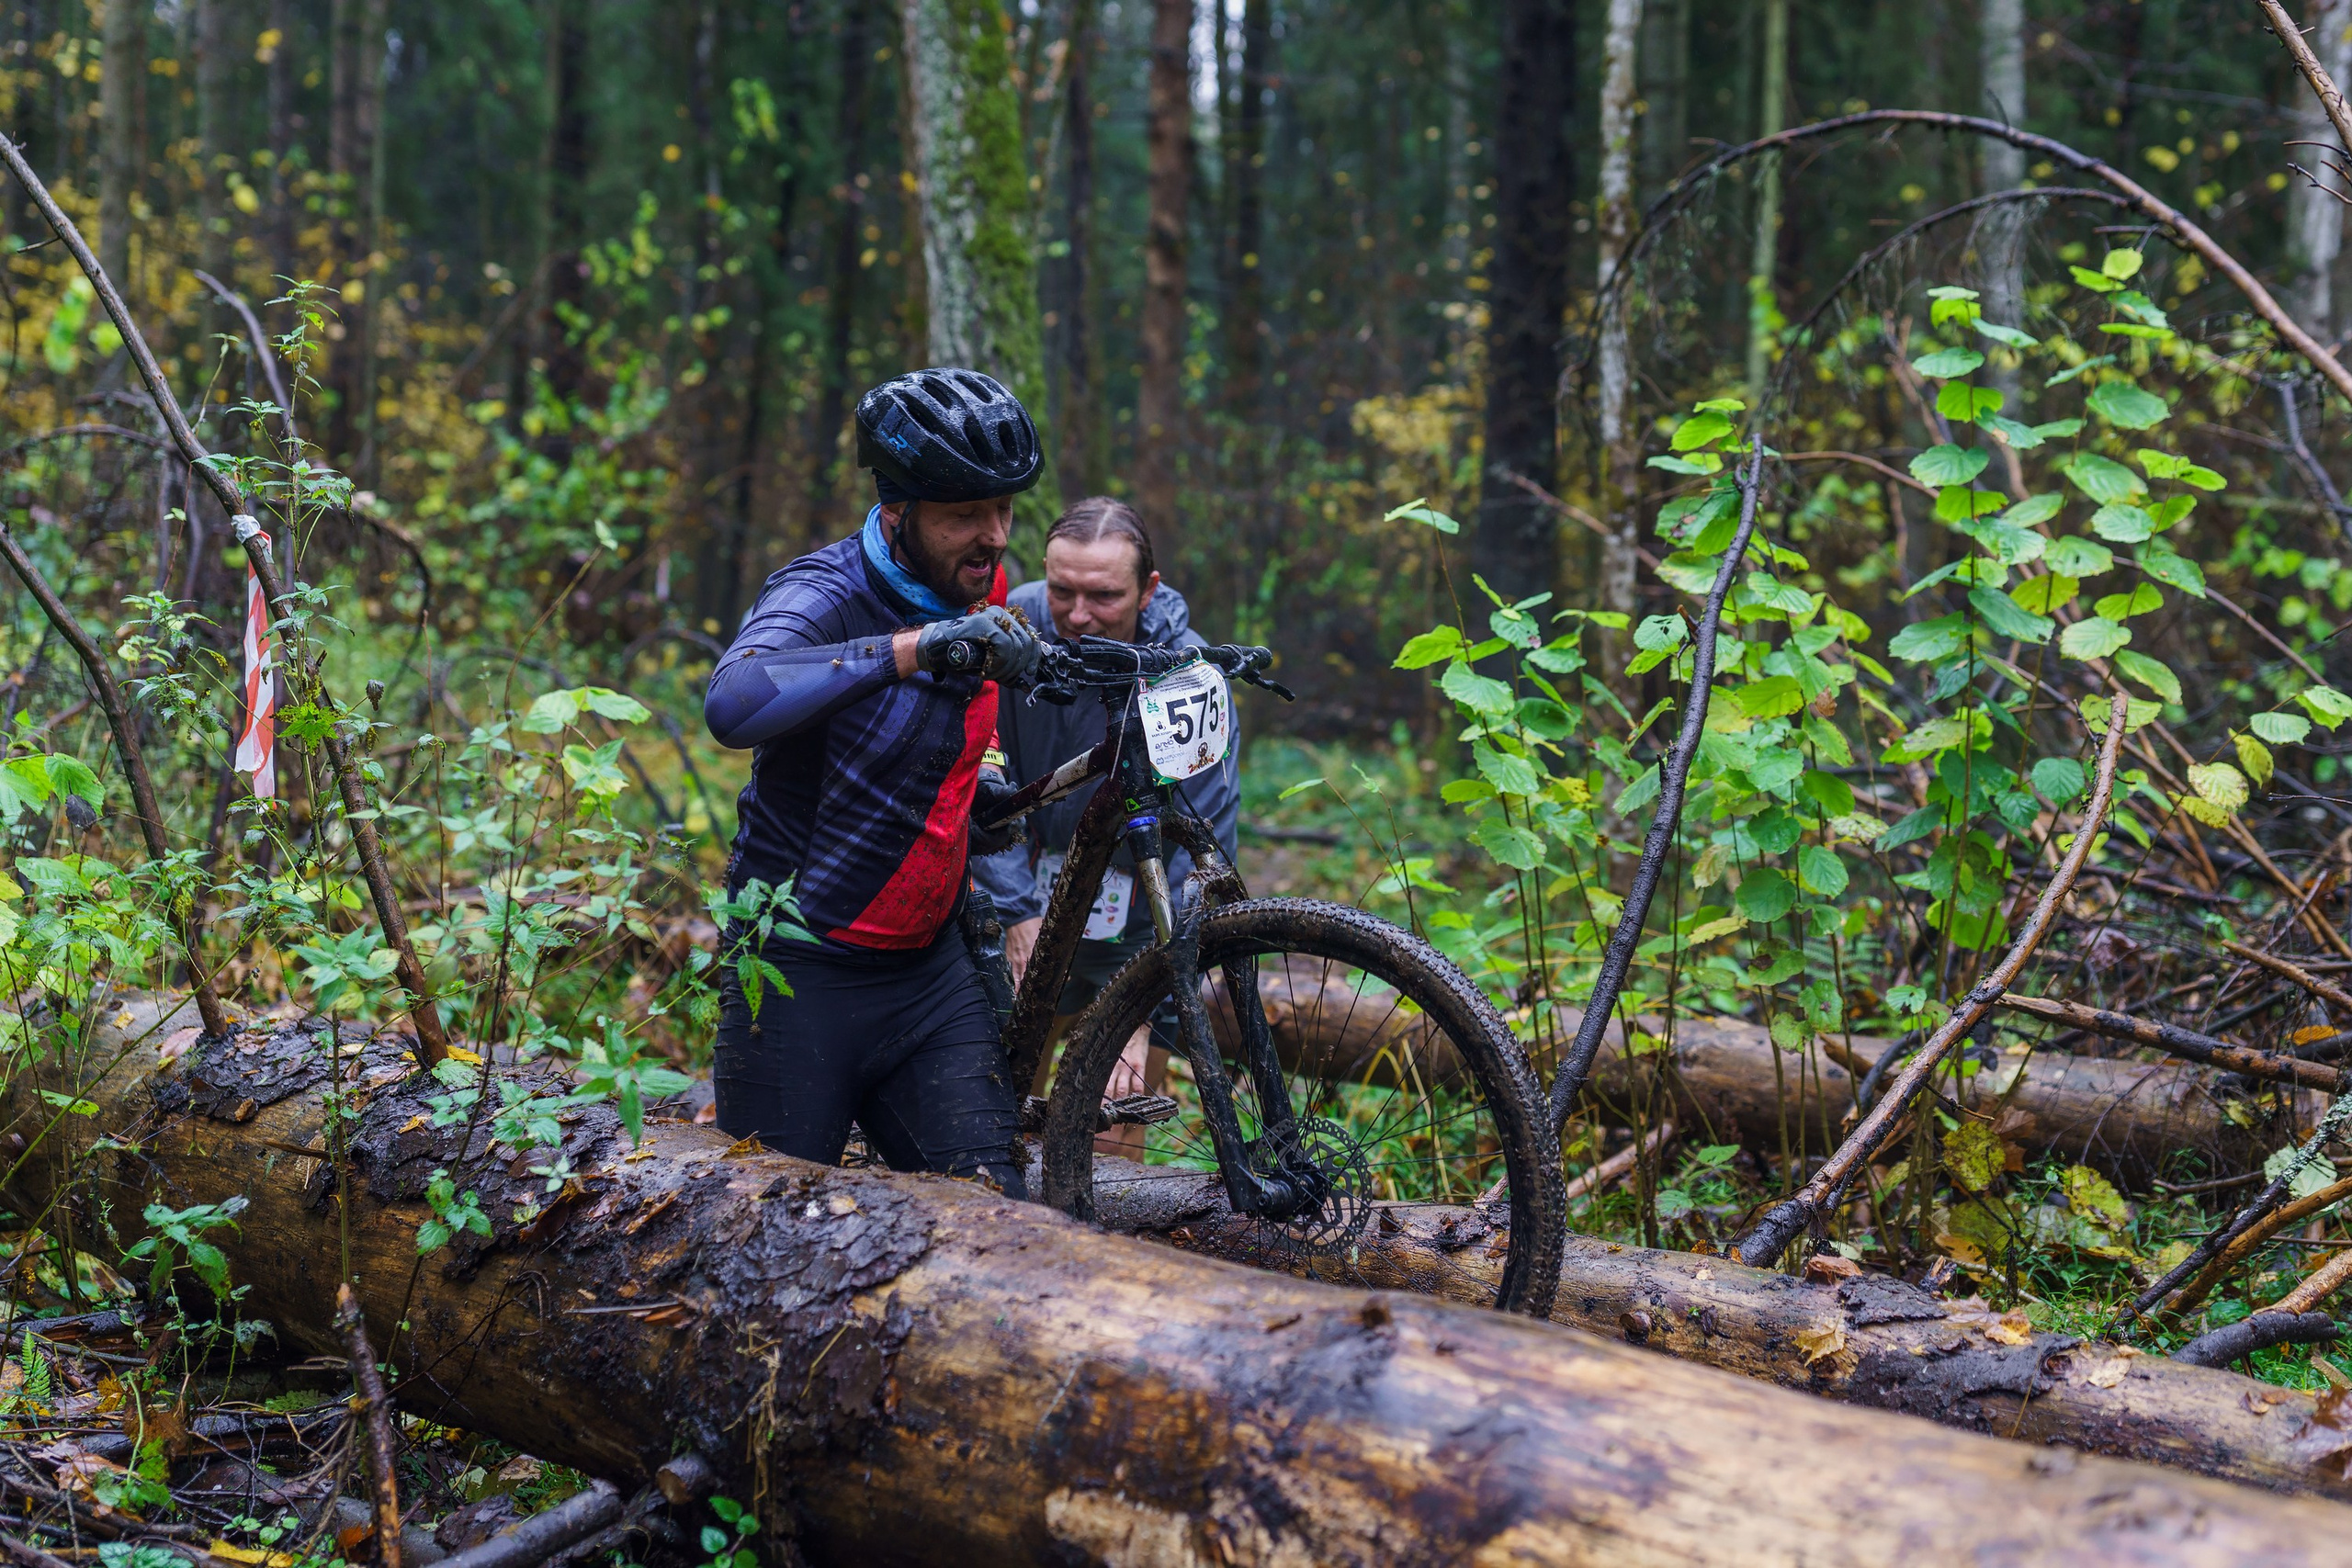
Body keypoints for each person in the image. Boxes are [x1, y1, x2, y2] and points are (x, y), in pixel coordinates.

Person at [700, 367, 1045, 1197]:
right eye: (965, 514)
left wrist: (988, 775)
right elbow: (732, 700)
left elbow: (970, 722)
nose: (993, 536)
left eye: (1003, 510)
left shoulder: (977, 584)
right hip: (794, 975)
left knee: (996, 1227)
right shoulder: (824, 591)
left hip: (928, 979)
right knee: (767, 1241)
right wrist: (911, 648)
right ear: (897, 514)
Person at [970, 497, 1241, 1154]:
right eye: (1061, 589)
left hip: (1138, 923)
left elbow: (1200, 851)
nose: (1078, 614)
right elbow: (975, 767)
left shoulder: (1189, 675)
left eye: (1104, 595)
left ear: (1148, 589)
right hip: (1025, 896)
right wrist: (1015, 908)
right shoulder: (1008, 630)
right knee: (1007, 1116)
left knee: (1116, 1128)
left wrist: (1148, 1004)